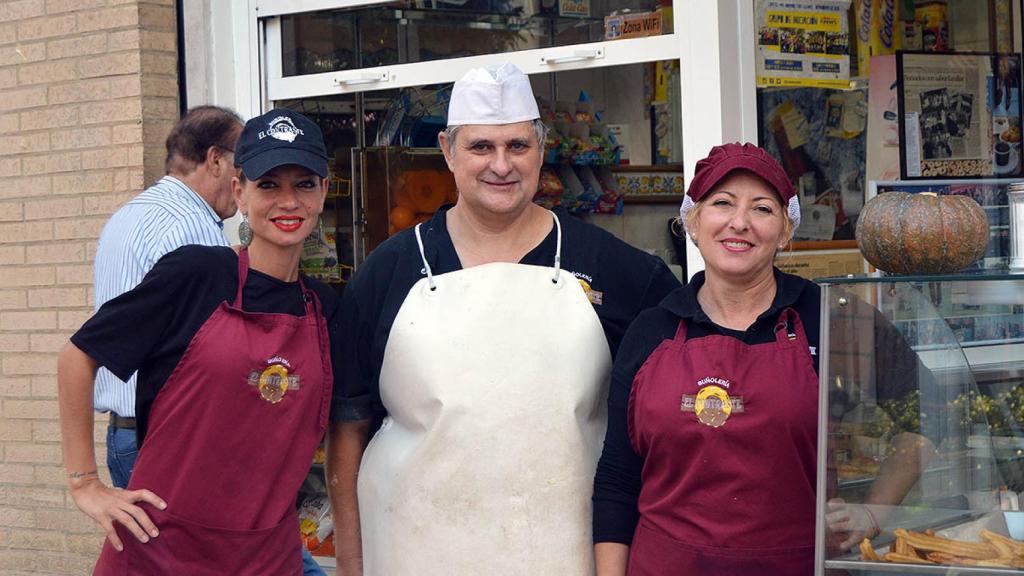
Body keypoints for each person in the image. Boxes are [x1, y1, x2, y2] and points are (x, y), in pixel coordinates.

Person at [326, 63, 680, 575]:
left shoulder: (619, 271)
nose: (501, 165)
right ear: (447, 151)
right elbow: (348, 426)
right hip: (414, 549)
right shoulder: (390, 270)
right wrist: (352, 566)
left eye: (517, 146)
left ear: (541, 148)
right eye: (480, 147)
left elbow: (670, 408)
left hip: (565, 551)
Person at [592, 142, 935, 575]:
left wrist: (875, 511)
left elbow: (929, 410)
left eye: (762, 209)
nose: (740, 222)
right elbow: (618, 480)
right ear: (693, 223)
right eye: (721, 204)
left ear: (786, 230)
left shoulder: (830, 317)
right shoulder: (652, 329)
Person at [58, 108, 339, 575]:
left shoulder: (324, 307)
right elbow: (77, 357)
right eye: (268, 185)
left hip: (268, 555)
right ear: (239, 192)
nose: (288, 201)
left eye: (304, 184)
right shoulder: (197, 273)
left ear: (324, 192)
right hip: (165, 547)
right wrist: (84, 482)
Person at [92, 105, 242, 489]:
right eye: (242, 164)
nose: (246, 181)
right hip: (172, 438)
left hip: (126, 434)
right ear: (215, 160)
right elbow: (214, 345)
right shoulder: (193, 229)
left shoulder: (129, 215)